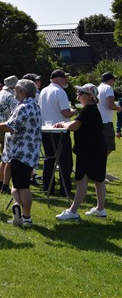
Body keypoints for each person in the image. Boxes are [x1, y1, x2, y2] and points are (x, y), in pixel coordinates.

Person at [0, 79, 42, 227]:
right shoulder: (35, 106)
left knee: (22, 187)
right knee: (17, 185)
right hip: (29, 152)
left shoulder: (23, 107)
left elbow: (10, 127)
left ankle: (26, 217)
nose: (14, 92)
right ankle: (19, 210)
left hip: (21, 153)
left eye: (16, 89)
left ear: (23, 91)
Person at [54, 84, 109, 221]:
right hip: (97, 148)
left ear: (90, 96)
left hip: (89, 150)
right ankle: (100, 209)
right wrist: (66, 123)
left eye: (81, 93)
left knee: (82, 180)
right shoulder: (90, 109)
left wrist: (63, 123)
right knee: (99, 179)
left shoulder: (88, 109)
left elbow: (74, 126)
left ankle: (73, 212)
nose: (78, 95)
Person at [38, 69, 77, 197]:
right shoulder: (60, 92)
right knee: (65, 161)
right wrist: (74, 111)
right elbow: (65, 113)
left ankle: (48, 187)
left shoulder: (43, 91)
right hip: (60, 130)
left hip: (45, 129)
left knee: (49, 160)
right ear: (56, 79)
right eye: (64, 77)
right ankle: (65, 190)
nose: (66, 80)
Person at [0, 75, 19, 194]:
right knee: (10, 158)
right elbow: (15, 113)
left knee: (4, 156)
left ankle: (0, 183)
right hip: (8, 127)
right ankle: (5, 185)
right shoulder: (12, 96)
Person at [96, 72, 122, 182]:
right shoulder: (108, 88)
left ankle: (101, 171)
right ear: (110, 80)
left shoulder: (97, 88)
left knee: (101, 148)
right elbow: (110, 104)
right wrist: (119, 108)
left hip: (98, 122)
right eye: (113, 80)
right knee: (108, 147)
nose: (114, 82)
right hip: (106, 123)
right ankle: (98, 171)